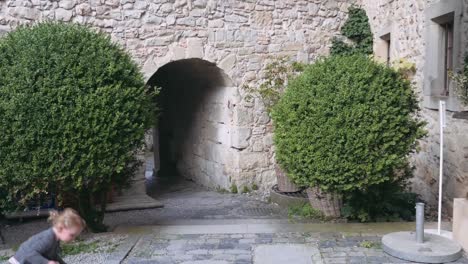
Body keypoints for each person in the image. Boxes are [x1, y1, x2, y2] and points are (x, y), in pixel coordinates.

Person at [9, 208, 86, 264]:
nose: (73, 238)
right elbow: (29, 254)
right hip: (20, 261)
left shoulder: (55, 239)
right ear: (61, 228)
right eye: (72, 235)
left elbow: (53, 256)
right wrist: (47, 262)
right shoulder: (47, 238)